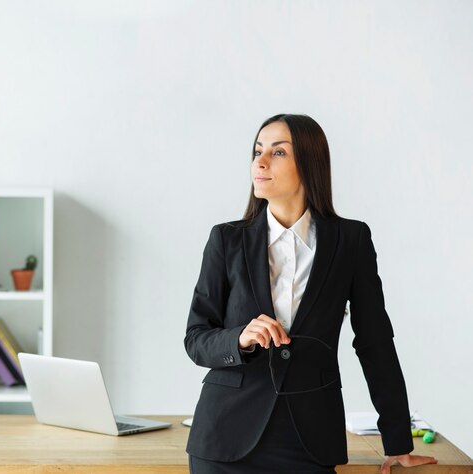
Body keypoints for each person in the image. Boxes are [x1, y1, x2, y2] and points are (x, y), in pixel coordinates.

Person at [184, 114, 438, 473]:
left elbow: (375, 342)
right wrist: (238, 338)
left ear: (309, 162)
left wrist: (397, 441)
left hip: (310, 441)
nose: (260, 161)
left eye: (278, 152)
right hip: (225, 438)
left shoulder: (350, 241)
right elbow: (196, 338)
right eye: (257, 151)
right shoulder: (227, 240)